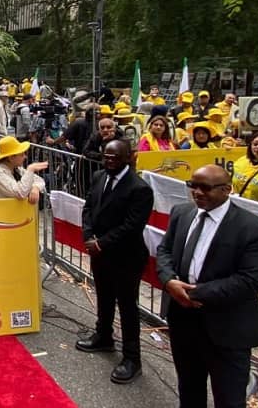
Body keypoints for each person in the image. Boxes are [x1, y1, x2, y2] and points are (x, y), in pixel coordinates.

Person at [155, 165, 258, 408]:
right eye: (193, 186)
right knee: (189, 390)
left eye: (206, 188)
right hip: (183, 322)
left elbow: (250, 281)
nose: (198, 192)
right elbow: (165, 250)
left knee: (229, 400)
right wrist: (169, 281)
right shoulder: (181, 213)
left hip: (227, 330)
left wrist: (192, 293)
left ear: (226, 189)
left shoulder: (254, 229)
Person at [77, 140, 153, 385]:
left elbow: (132, 225)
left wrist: (102, 243)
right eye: (106, 157)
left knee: (127, 306)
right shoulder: (99, 176)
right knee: (104, 296)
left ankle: (132, 358)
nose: (109, 161)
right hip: (100, 253)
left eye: (115, 158)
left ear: (129, 157)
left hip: (126, 256)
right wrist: (89, 236)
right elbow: (88, 207)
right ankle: (104, 336)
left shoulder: (139, 188)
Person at [0, 136, 48, 202]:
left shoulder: (17, 169)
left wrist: (36, 188)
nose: (25, 157)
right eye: (22, 155)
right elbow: (20, 193)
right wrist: (30, 169)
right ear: (11, 158)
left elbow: (39, 180)